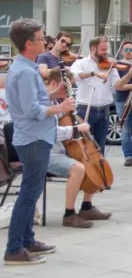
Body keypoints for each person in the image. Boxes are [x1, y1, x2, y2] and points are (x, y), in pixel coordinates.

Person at [4, 19, 75, 265]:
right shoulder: (24, 71)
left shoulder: (28, 66)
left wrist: (53, 95)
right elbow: (32, 110)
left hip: (36, 136)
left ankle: (27, 240)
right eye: (41, 38)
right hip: (33, 138)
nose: (46, 42)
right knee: (29, 193)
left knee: (32, 192)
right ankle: (14, 249)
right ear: (28, 44)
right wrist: (61, 108)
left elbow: (33, 101)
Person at [45, 68, 112, 228]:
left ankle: (86, 207)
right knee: (79, 169)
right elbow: (49, 134)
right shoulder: (45, 104)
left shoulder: (56, 102)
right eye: (66, 87)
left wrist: (73, 118)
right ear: (54, 83)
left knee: (96, 162)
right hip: (47, 152)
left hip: (62, 149)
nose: (69, 92)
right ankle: (69, 214)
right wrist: (75, 129)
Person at [70, 37, 132, 151]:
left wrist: (130, 73)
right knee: (82, 146)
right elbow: (74, 75)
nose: (106, 52)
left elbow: (118, 85)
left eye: (107, 49)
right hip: (85, 109)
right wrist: (94, 73)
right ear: (93, 48)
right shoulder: (81, 63)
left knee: (100, 147)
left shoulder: (110, 65)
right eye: (103, 49)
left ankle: (100, 168)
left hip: (104, 110)